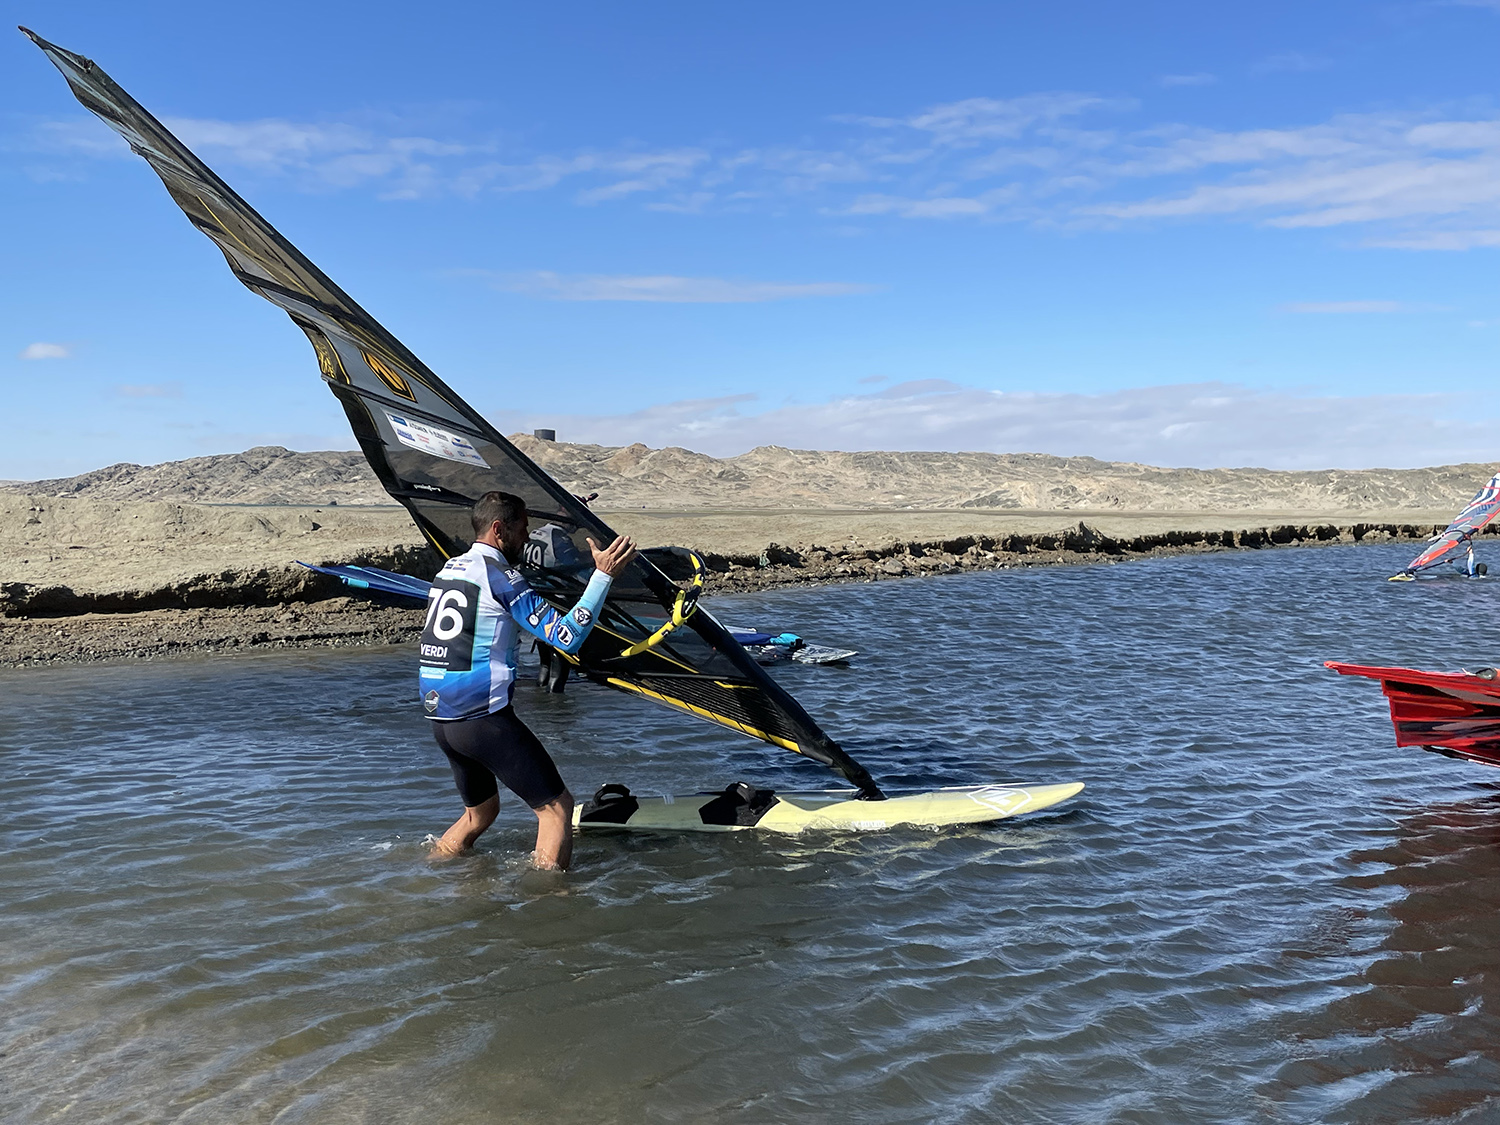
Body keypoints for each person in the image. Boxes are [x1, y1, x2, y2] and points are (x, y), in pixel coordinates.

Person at [419, 490, 636, 868]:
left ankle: (429, 871)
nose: (526, 538)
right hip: (481, 719)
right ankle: (548, 903)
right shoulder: (500, 576)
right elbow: (566, 636)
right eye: (523, 529)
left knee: (480, 814)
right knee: (557, 809)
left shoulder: (449, 568)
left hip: (442, 720)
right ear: (499, 529)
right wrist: (602, 578)